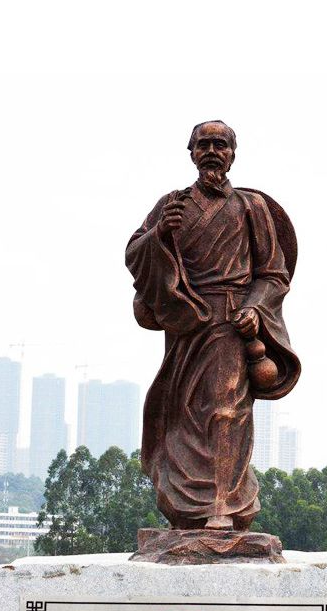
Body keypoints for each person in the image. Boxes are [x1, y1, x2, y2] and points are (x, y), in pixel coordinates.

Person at [126, 121, 300, 530]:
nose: (212, 151)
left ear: (232, 153)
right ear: (190, 152)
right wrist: (159, 235)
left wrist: (255, 308)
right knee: (180, 416)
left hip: (231, 323)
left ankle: (223, 504)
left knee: (226, 409)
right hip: (185, 323)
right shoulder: (172, 203)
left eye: (220, 145)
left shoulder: (249, 207)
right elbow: (135, 253)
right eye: (203, 144)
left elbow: (274, 274)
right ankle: (188, 508)